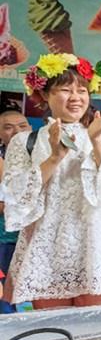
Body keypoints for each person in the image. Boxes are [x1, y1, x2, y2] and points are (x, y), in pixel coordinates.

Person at [3, 53, 101, 309]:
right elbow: (15, 195)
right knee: (52, 327)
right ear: (44, 94)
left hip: (97, 242)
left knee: (94, 326)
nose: (76, 97)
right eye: (65, 90)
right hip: (47, 247)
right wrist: (54, 158)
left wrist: (96, 141)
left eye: (82, 90)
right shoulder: (24, 141)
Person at [0, 100, 30, 313]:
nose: (17, 131)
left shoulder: (42, 154)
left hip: (33, 238)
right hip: (5, 239)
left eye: (22, 126)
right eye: (8, 127)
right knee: (5, 299)